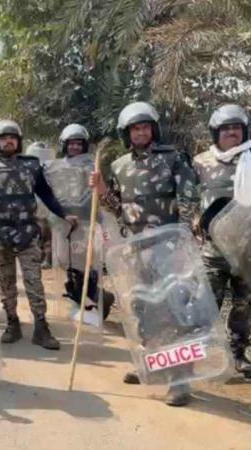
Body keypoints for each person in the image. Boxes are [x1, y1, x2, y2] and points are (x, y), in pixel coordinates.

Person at [89, 101, 198, 406]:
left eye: (145, 127)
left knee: (175, 311)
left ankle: (180, 379)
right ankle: (151, 364)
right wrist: (101, 189)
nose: (140, 133)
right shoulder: (120, 166)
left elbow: (189, 199)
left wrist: (185, 239)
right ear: (127, 134)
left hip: (169, 248)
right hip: (137, 249)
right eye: (135, 129)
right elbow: (117, 208)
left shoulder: (173, 159)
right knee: (143, 309)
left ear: (154, 130)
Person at [0, 120, 78, 351]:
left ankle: (41, 327)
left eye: (12, 137)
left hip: (28, 233)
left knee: (34, 281)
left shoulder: (31, 165)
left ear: (19, 141)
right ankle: (12, 323)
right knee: (6, 283)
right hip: (0, 233)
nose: (8, 141)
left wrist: (63, 214)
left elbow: (46, 194)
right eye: (4, 138)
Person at [193, 104, 251, 379]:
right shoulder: (200, 162)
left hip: (248, 247)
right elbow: (189, 196)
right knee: (205, 303)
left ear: (245, 131)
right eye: (225, 129)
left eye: (236, 128)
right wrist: (193, 218)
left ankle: (238, 354)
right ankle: (198, 355)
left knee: (244, 304)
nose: (231, 133)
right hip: (213, 248)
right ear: (215, 133)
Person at [25, 141, 54, 269]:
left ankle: (47, 258)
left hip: (47, 206)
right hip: (34, 206)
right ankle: (39, 257)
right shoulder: (26, 170)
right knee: (38, 234)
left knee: (47, 233)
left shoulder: (52, 170)